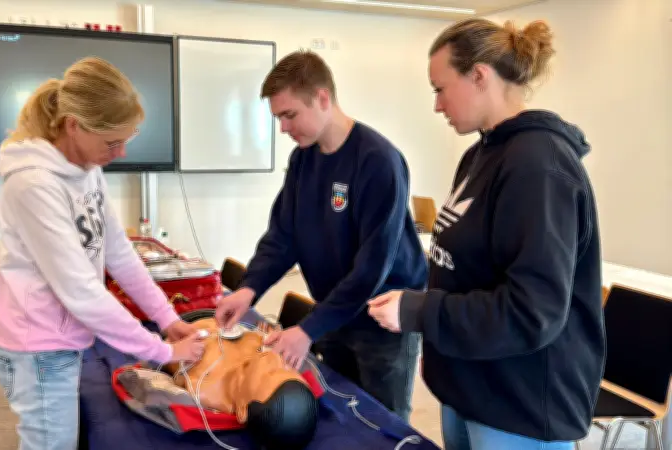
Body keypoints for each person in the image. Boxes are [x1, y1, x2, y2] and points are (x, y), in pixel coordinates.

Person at [368, 18, 605, 450]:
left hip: (518, 406)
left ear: (479, 76)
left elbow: (531, 313)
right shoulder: (480, 154)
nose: (437, 105)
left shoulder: (538, 163)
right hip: (470, 387)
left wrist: (420, 312)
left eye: (440, 89)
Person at [0, 56, 206, 450]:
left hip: (63, 341)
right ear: (74, 125)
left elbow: (119, 253)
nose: (120, 153)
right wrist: (161, 351)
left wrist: (167, 319)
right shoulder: (33, 185)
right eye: (111, 142)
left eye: (127, 139)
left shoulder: (88, 167)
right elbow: (81, 291)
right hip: (38, 349)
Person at [215, 50, 428, 423]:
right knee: (337, 411)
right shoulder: (304, 159)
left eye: (290, 115)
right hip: (333, 312)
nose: (284, 128)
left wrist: (308, 329)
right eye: (278, 118)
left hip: (382, 324)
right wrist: (249, 289)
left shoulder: (378, 161)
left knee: (383, 422)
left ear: (323, 98)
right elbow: (283, 236)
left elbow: (371, 268)